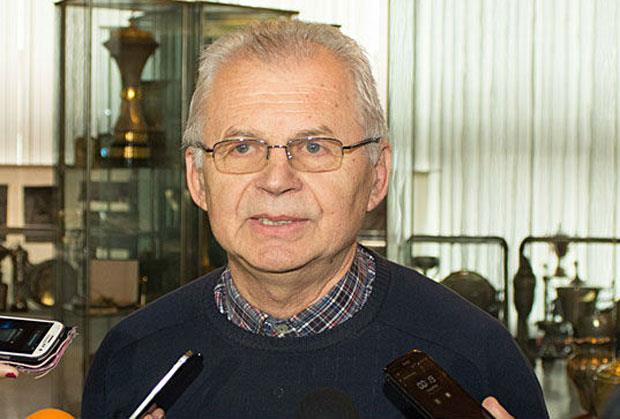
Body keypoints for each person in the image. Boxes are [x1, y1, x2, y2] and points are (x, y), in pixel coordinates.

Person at [82, 19, 548, 418]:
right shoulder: (133, 359)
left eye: (314, 147)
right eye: (241, 147)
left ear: (377, 175)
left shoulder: (473, 359)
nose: (276, 180)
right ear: (197, 178)